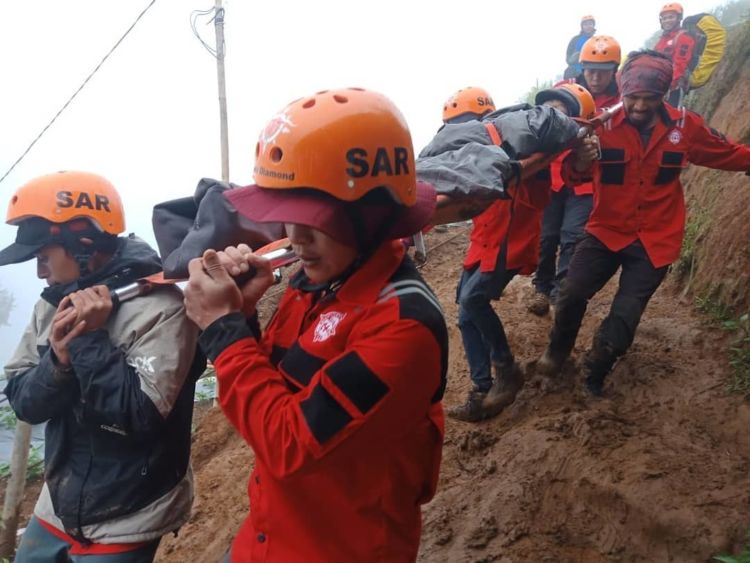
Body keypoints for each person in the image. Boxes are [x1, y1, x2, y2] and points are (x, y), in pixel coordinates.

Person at [183, 88, 447, 561]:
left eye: (313, 220)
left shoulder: (405, 326)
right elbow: (275, 387)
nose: (294, 239)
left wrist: (222, 330)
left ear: (372, 215)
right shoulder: (316, 281)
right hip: (269, 533)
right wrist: (242, 314)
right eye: (286, 218)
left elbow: (290, 443)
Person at [1, 171, 203, 561]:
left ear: (84, 244)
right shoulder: (51, 304)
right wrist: (57, 364)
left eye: (43, 257)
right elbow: (23, 401)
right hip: (57, 503)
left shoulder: (161, 307)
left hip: (131, 510)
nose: (39, 272)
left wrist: (88, 339)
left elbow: (139, 417)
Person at [537, 50, 750, 396]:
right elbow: (572, 178)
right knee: (571, 293)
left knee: (625, 315)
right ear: (623, 92)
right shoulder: (600, 126)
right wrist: (579, 161)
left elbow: (726, 152)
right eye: (632, 97)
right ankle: (556, 352)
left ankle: (596, 370)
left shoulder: (686, 127)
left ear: (663, 96)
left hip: (655, 239)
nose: (638, 106)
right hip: (605, 231)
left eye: (648, 99)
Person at [447, 83, 595, 422]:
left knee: (473, 301)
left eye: (559, 110)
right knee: (465, 310)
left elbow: (573, 171)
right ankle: (483, 387)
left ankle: (505, 369)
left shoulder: (539, 159)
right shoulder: (507, 139)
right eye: (548, 108)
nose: (549, 115)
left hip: (509, 243)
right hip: (485, 238)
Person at [528, 35, 622, 316]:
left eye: (603, 70)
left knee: (572, 237)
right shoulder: (565, 92)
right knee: (546, 236)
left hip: (586, 182)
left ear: (614, 70)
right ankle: (541, 287)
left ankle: (560, 293)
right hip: (554, 175)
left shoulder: (620, 102)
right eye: (591, 69)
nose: (595, 76)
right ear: (582, 67)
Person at [654, 2, 696, 106]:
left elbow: (680, 64)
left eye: (671, 17)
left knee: (671, 117)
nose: (667, 20)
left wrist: (669, 86)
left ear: (678, 18)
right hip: (659, 86)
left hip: (674, 88)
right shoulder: (662, 40)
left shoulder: (684, 38)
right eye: (664, 18)